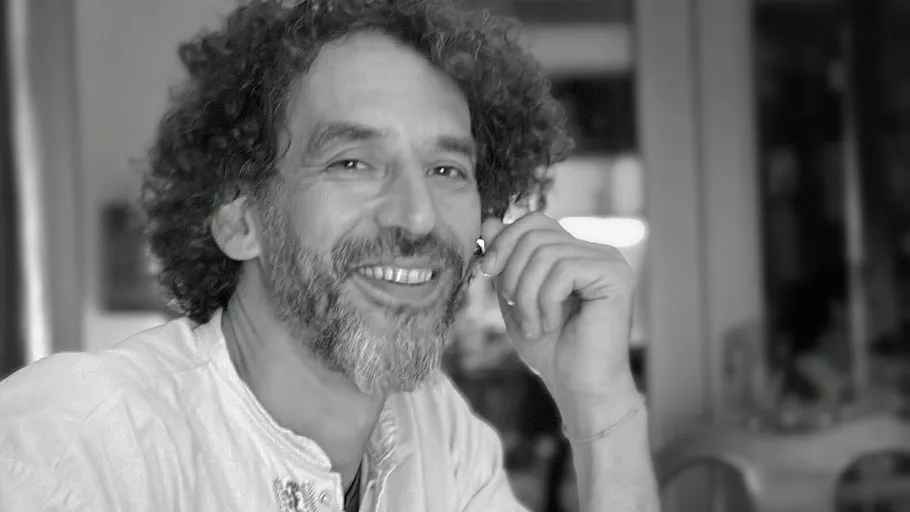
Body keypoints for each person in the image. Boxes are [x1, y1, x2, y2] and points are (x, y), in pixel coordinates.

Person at [0, 0, 658, 510]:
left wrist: (599, 407)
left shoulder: (439, 435)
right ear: (238, 217)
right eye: (352, 161)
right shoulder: (76, 443)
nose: (418, 214)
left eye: (448, 169)